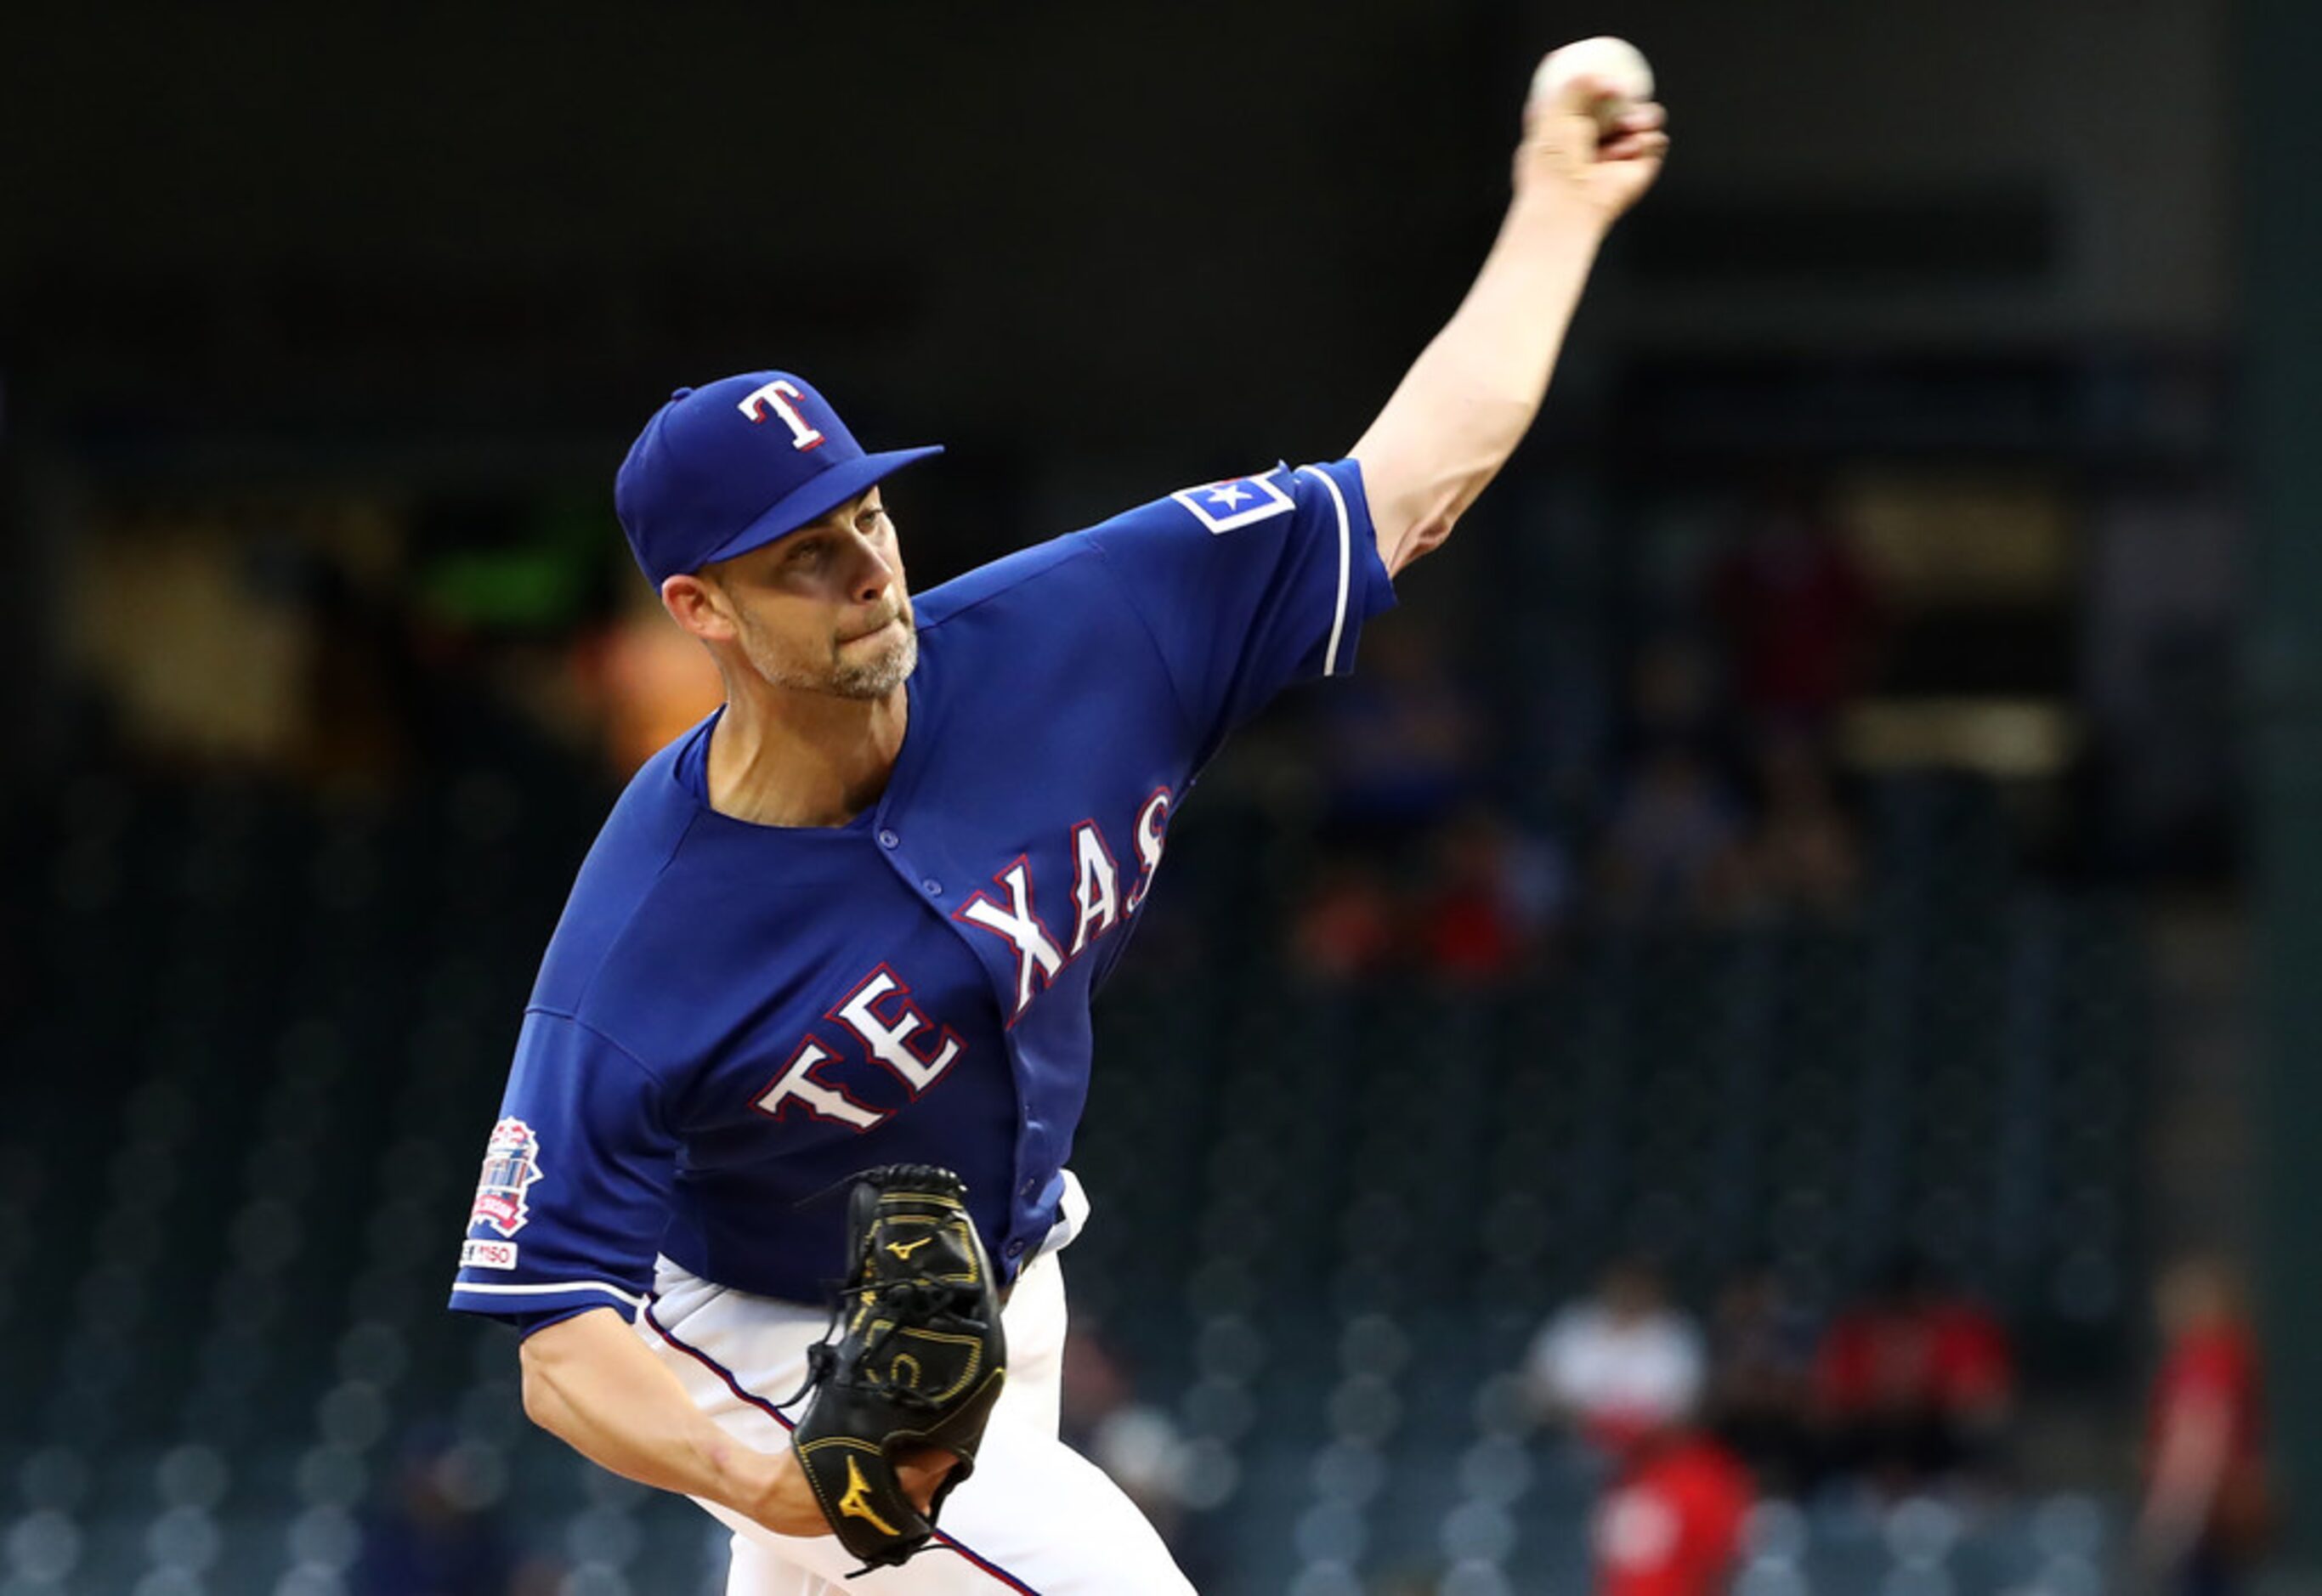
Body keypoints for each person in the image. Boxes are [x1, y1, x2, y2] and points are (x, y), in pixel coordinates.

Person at [445, 62, 1668, 1596]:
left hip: (1014, 1296)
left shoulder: (1089, 626)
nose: (866, 566)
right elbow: (556, 1338)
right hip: (762, 1335)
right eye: (805, 558)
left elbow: (1409, 482)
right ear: (702, 607)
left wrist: (1556, 206)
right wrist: (777, 1475)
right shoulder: (645, 932)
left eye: (867, 517)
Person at [2136, 1256, 2274, 1595]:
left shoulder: (2207, 1360)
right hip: (2218, 1522)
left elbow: (2198, 1445)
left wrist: (2171, 1519)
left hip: (2206, 1517)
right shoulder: (2233, 1353)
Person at [1526, 1259, 1708, 1458]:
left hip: (1650, 1450)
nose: (1630, 1296)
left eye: (1639, 1289)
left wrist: (1641, 1436)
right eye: (1624, 1288)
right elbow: (1540, 1387)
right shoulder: (1574, 1322)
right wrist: (1581, 1422)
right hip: (1571, 1440)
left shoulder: (1677, 1334)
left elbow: (1688, 1409)